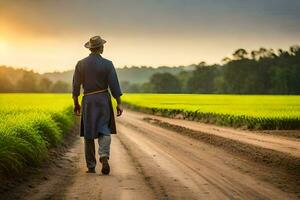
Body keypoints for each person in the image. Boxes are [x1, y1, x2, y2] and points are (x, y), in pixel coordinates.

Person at [72, 36, 123, 175]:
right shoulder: (108, 64)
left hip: (88, 100)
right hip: (103, 100)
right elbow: (114, 85)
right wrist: (119, 103)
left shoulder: (80, 64)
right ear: (100, 48)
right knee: (104, 129)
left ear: (90, 48)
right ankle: (104, 155)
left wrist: (76, 104)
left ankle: (91, 166)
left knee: (89, 134)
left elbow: (76, 87)